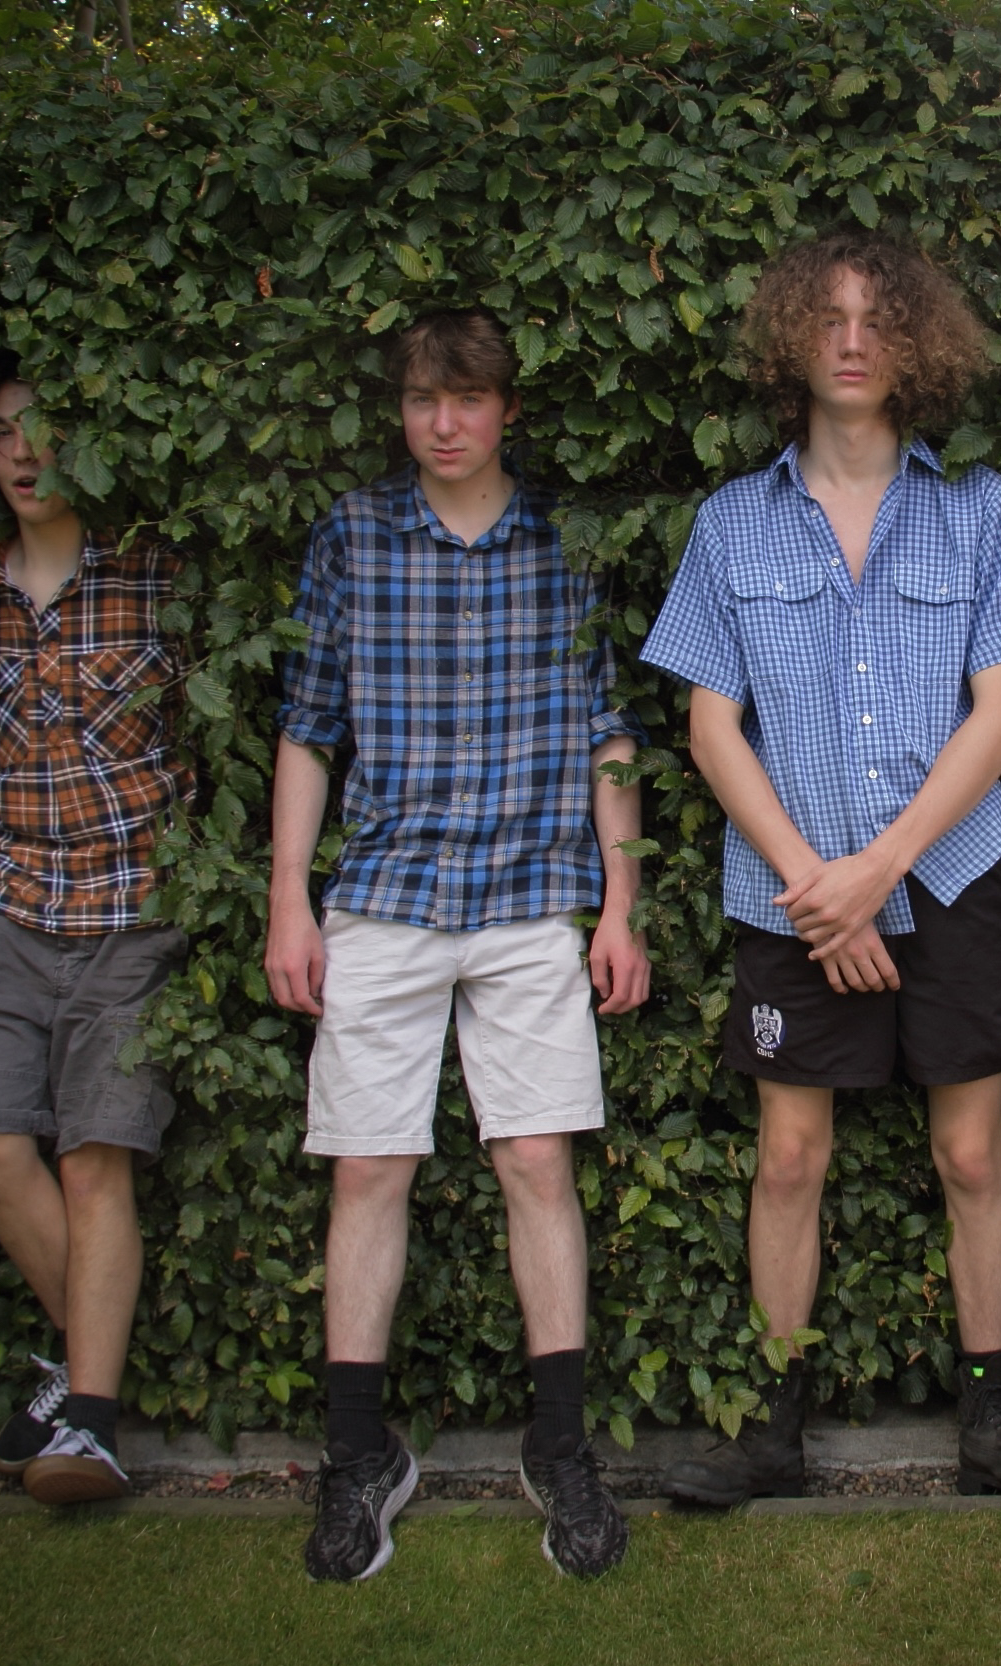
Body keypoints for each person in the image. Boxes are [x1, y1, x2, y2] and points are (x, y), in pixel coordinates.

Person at [640, 230, 1001, 1509]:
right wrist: (816, 888)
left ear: (914, 343)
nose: (850, 341)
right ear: (793, 337)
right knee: (789, 1158)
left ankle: (992, 1424)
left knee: (973, 1155)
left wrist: (879, 870)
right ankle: (771, 1426)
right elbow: (711, 728)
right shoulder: (733, 523)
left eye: (876, 319)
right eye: (827, 318)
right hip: (791, 893)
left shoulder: (978, 509)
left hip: (947, 879)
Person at [268, 308, 650, 1583]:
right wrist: (286, 902)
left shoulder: (562, 546)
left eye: (469, 399)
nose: (444, 424)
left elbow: (607, 730)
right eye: (424, 399)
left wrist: (622, 903)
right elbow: (308, 727)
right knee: (368, 1169)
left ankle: (561, 1449)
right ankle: (357, 1458)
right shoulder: (352, 535)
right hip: (385, 895)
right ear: (401, 409)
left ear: (507, 409)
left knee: (537, 1159)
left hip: (532, 896)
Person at [0, 357, 195, 1505]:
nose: (26, 454)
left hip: (131, 900)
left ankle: (86, 1421)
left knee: (94, 1155)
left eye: (42, 430)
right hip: (7, 896)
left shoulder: (152, 575)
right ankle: (92, 1369)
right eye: (3, 434)